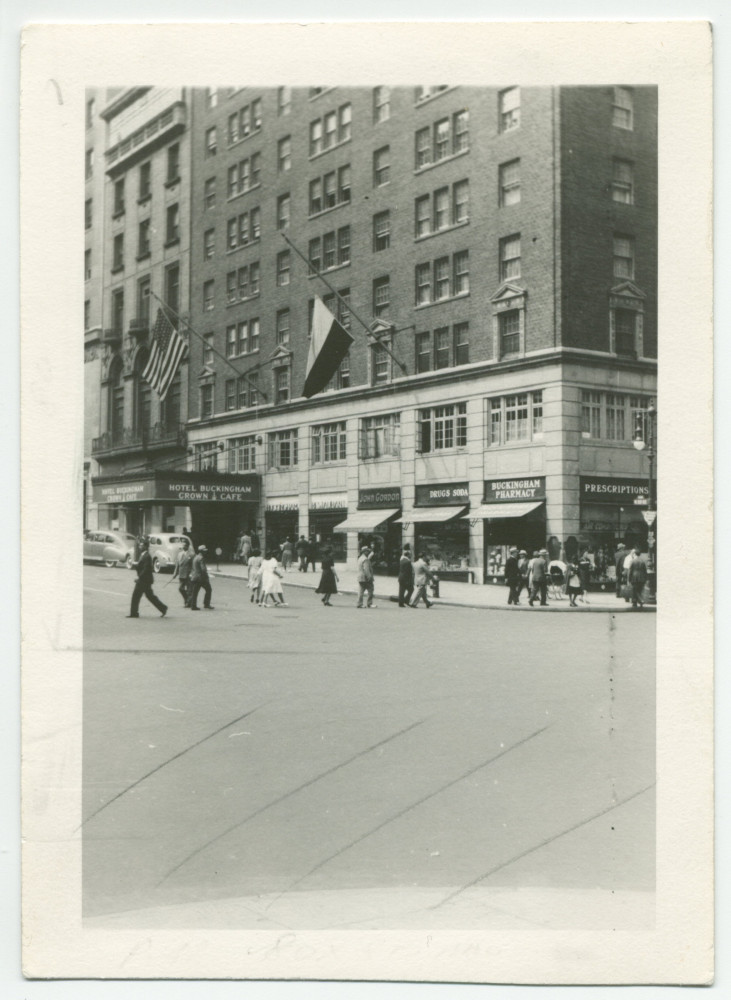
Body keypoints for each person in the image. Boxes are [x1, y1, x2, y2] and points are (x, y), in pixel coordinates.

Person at [127, 538, 168, 618]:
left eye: (141, 545)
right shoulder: (143, 555)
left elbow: (146, 569)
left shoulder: (147, 556)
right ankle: (163, 608)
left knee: (136, 596)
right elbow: (142, 567)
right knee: (150, 596)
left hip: (144, 580)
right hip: (145, 580)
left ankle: (134, 613)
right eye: (139, 545)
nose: (139, 546)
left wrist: (139, 578)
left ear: (146, 546)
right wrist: (136, 565)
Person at [189, 545, 214, 610]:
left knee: (195, 592)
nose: (205, 552)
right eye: (204, 551)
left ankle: (193, 605)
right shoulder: (201, 558)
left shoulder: (195, 557)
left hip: (195, 577)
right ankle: (206, 604)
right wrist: (206, 577)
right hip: (201, 578)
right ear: (201, 551)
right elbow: (203, 569)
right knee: (209, 590)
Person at [171, 536, 194, 607]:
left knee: (189, 590)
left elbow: (193, 566)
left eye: (185, 545)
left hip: (188, 575)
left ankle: (188, 603)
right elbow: (177, 565)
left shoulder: (192, 554)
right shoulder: (179, 554)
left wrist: (192, 574)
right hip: (181, 574)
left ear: (188, 546)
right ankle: (187, 600)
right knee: (180, 589)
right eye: (182, 545)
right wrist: (175, 573)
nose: (183, 547)